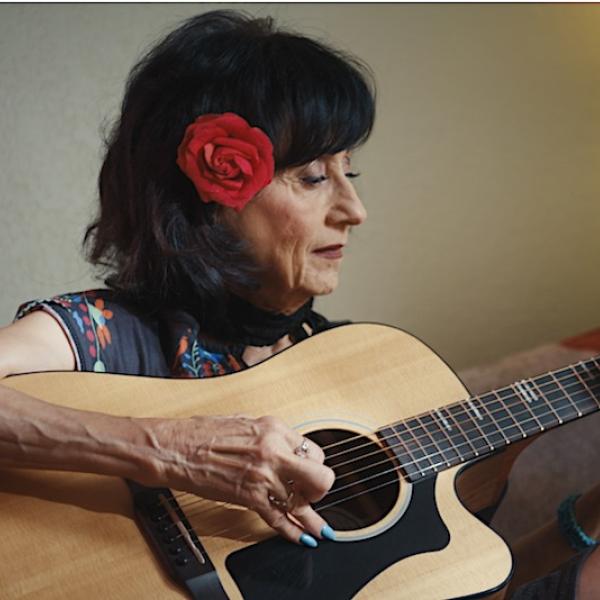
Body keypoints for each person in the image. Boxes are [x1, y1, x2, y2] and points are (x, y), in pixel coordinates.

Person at [0, 9, 597, 597]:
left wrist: (589, 516)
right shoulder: (101, 334)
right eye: (312, 176)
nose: (353, 211)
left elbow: (460, 587)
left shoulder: (360, 372)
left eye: (350, 172)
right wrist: (172, 450)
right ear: (207, 193)